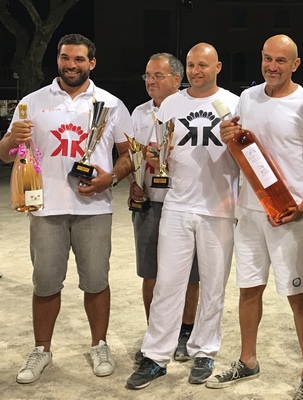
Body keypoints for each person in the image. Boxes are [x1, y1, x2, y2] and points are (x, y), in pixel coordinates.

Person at [0, 33, 133, 383]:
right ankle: (41, 349)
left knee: (96, 281)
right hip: (45, 208)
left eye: (78, 59)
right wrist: (14, 138)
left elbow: (128, 155)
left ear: (92, 62)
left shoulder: (112, 104)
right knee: (45, 284)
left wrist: (111, 179)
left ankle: (99, 344)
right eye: (64, 58)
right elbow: (5, 153)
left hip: (95, 208)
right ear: (57, 59)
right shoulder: (32, 101)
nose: (71, 65)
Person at [209, 34, 303, 400]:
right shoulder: (247, 98)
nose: (272, 66)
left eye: (280, 60)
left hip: (289, 215)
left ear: (295, 64)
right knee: (248, 288)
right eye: (266, 58)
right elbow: (240, 150)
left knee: (297, 293)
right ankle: (248, 360)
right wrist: (227, 136)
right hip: (250, 211)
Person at [125, 43, 239, 389]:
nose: (195, 71)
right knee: (167, 285)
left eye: (202, 65)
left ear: (217, 66)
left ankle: (205, 350)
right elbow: (162, 148)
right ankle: (156, 355)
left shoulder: (235, 103)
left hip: (218, 207)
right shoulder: (171, 103)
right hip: (175, 203)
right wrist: (154, 157)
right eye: (190, 65)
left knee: (213, 285)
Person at [129, 52, 201, 363]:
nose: (150, 81)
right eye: (147, 75)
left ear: (176, 78)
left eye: (158, 75)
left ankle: (185, 332)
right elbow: (130, 155)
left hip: (185, 203)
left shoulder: (190, 110)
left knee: (190, 275)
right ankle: (154, 334)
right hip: (149, 204)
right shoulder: (139, 113)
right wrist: (133, 178)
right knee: (151, 273)